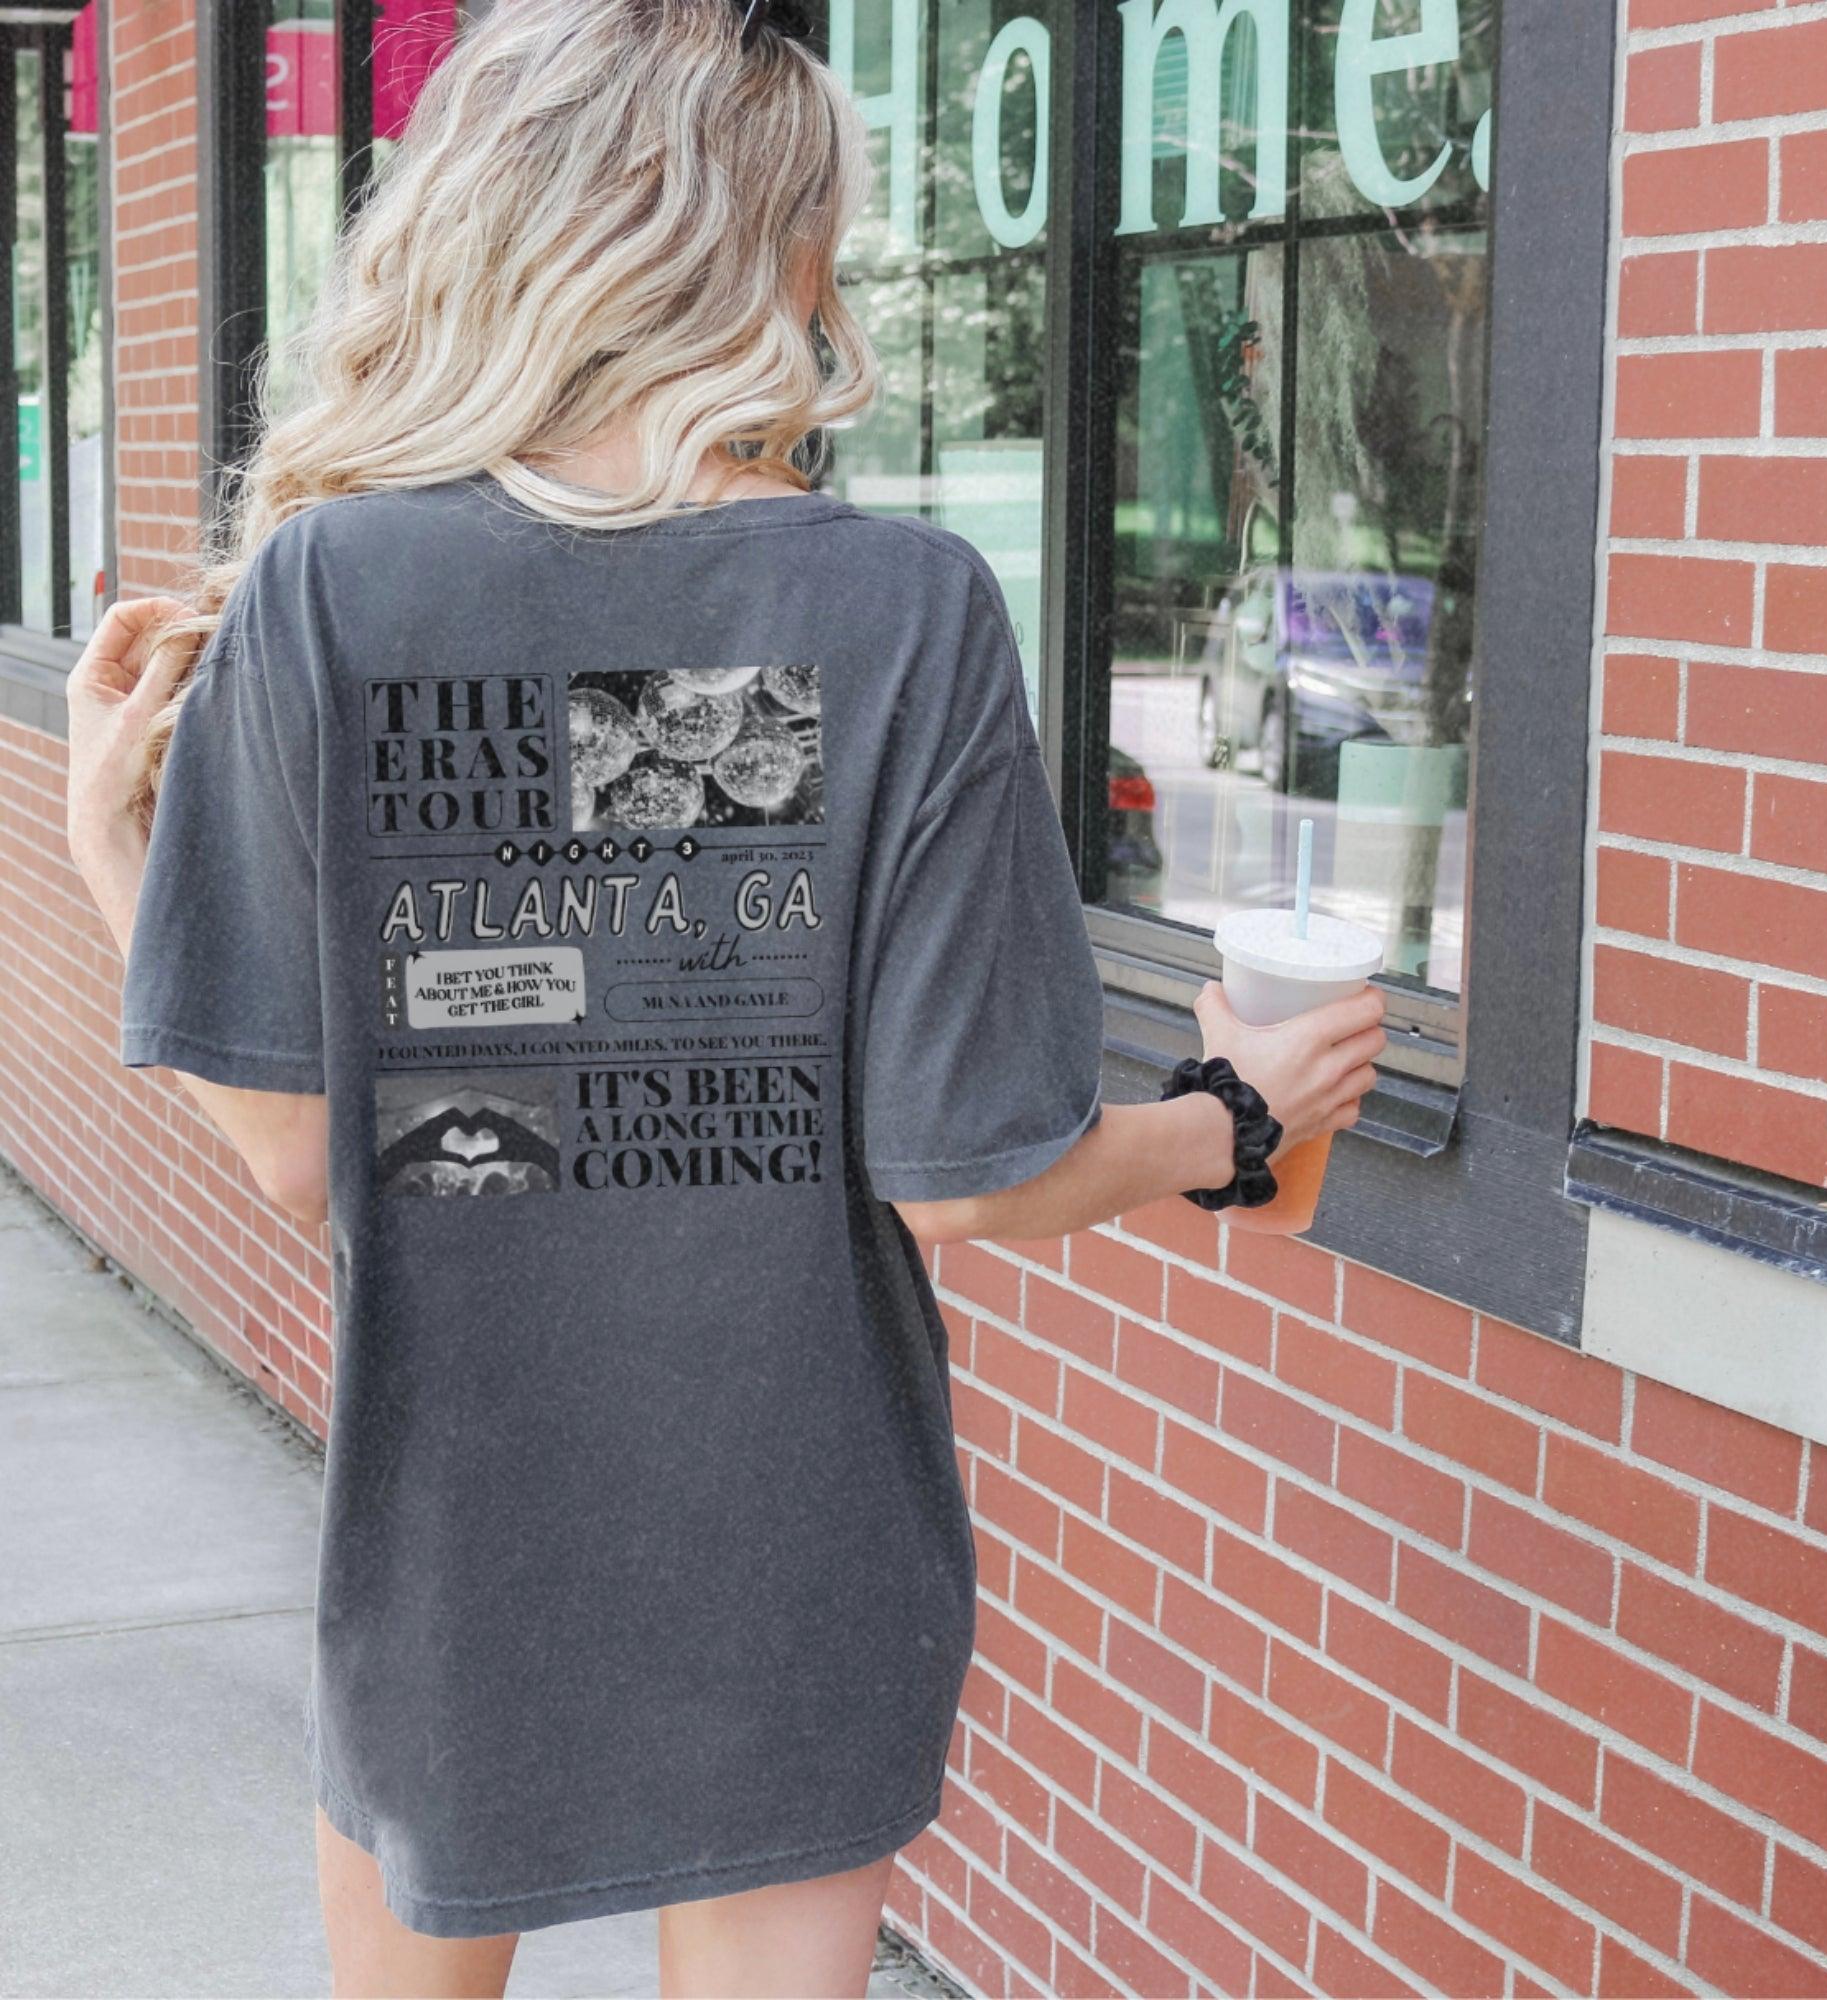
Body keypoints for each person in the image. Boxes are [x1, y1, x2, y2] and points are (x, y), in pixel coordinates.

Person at [62, 2, 1385, 1994]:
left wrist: (113, 855)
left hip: (453, 1552)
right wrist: (1239, 1114)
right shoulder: (900, 611)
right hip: (794, 1555)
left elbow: (298, 1151)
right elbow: (967, 1172)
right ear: (772, 252)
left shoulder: (330, 588)